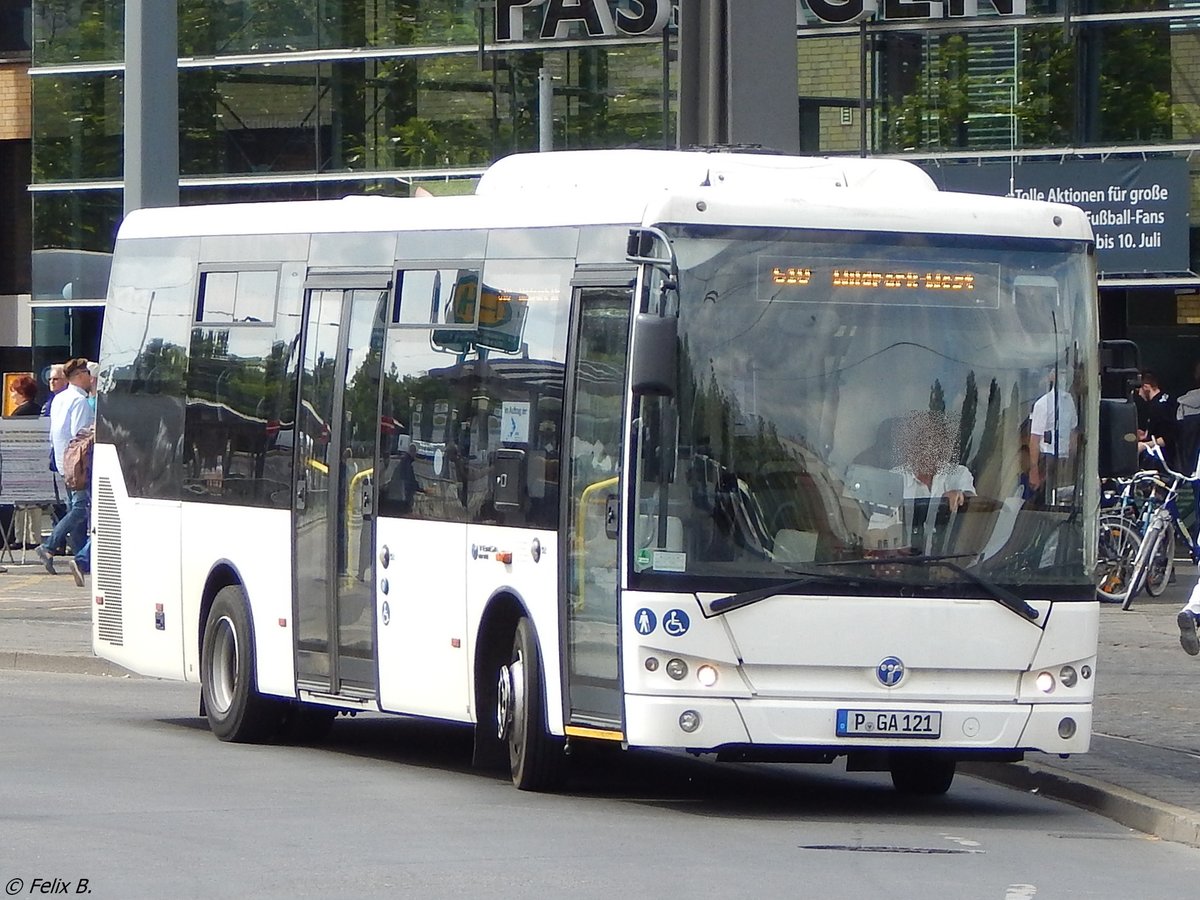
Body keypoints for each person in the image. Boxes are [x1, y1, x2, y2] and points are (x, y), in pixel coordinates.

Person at [36, 358, 95, 585]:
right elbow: (80, 436)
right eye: (88, 374)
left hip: (63, 463)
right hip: (77, 464)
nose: (91, 378)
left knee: (76, 510)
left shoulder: (59, 398)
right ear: (79, 375)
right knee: (80, 509)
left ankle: (80, 558)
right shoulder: (79, 401)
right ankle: (50, 546)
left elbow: (54, 434)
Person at [892, 410, 975, 512]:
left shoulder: (958, 473)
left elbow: (972, 500)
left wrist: (960, 496)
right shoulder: (894, 477)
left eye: (935, 442)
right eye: (923, 441)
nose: (929, 449)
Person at [1028, 366, 1078, 502]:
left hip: (1066, 460)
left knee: (1066, 497)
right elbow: (1034, 439)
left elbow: (1073, 432)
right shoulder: (1042, 404)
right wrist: (1034, 470)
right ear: (1052, 377)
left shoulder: (1069, 401)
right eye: (1060, 373)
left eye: (1066, 373)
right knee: (1047, 498)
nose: (1064, 376)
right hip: (1047, 458)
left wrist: (1074, 460)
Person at [1134, 370, 1178, 467]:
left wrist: (1143, 446)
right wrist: (1144, 435)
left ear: (1146, 387)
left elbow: (1168, 438)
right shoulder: (1168, 399)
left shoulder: (1157, 407)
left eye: (1139, 390)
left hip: (1165, 459)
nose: (1139, 394)